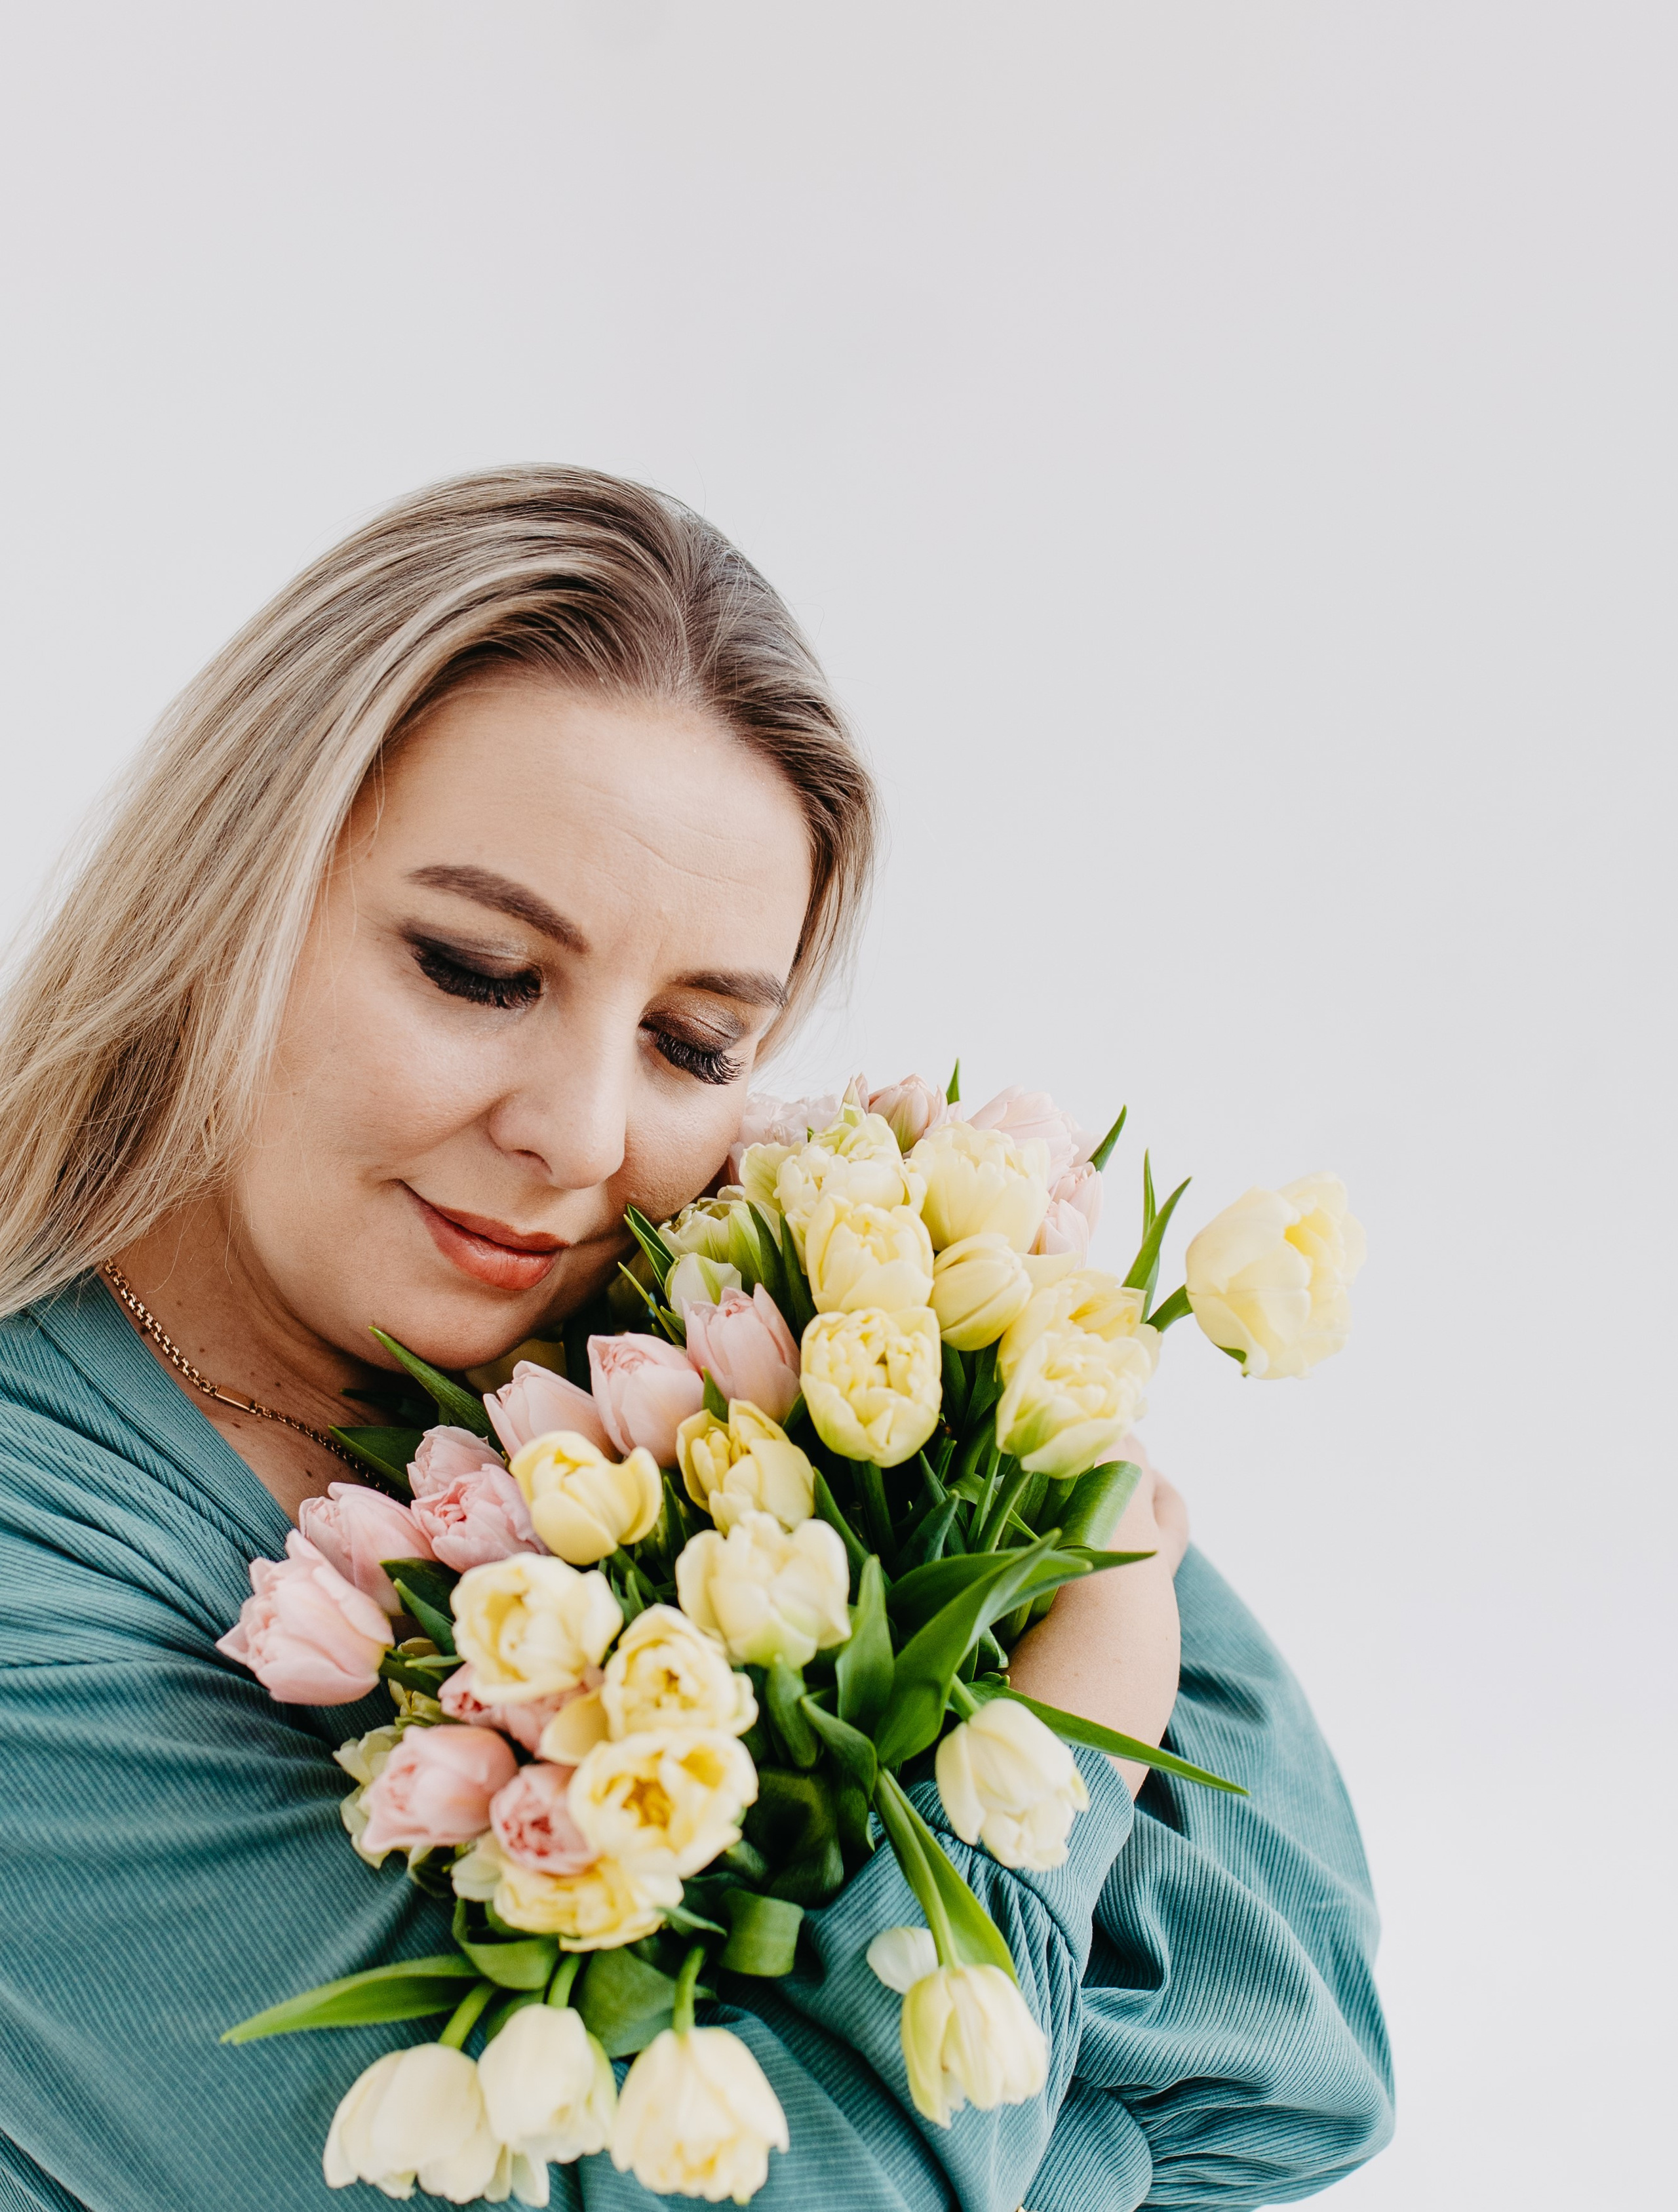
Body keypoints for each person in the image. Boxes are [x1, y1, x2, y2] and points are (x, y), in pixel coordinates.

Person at [0, 468, 1392, 2211]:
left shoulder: (717, 1370)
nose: (582, 1138)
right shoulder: (29, 1554)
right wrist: (1092, 1664)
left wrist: (977, 1364)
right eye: (477, 967)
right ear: (229, 908)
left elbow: (1302, 2067)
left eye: (694, 1044)